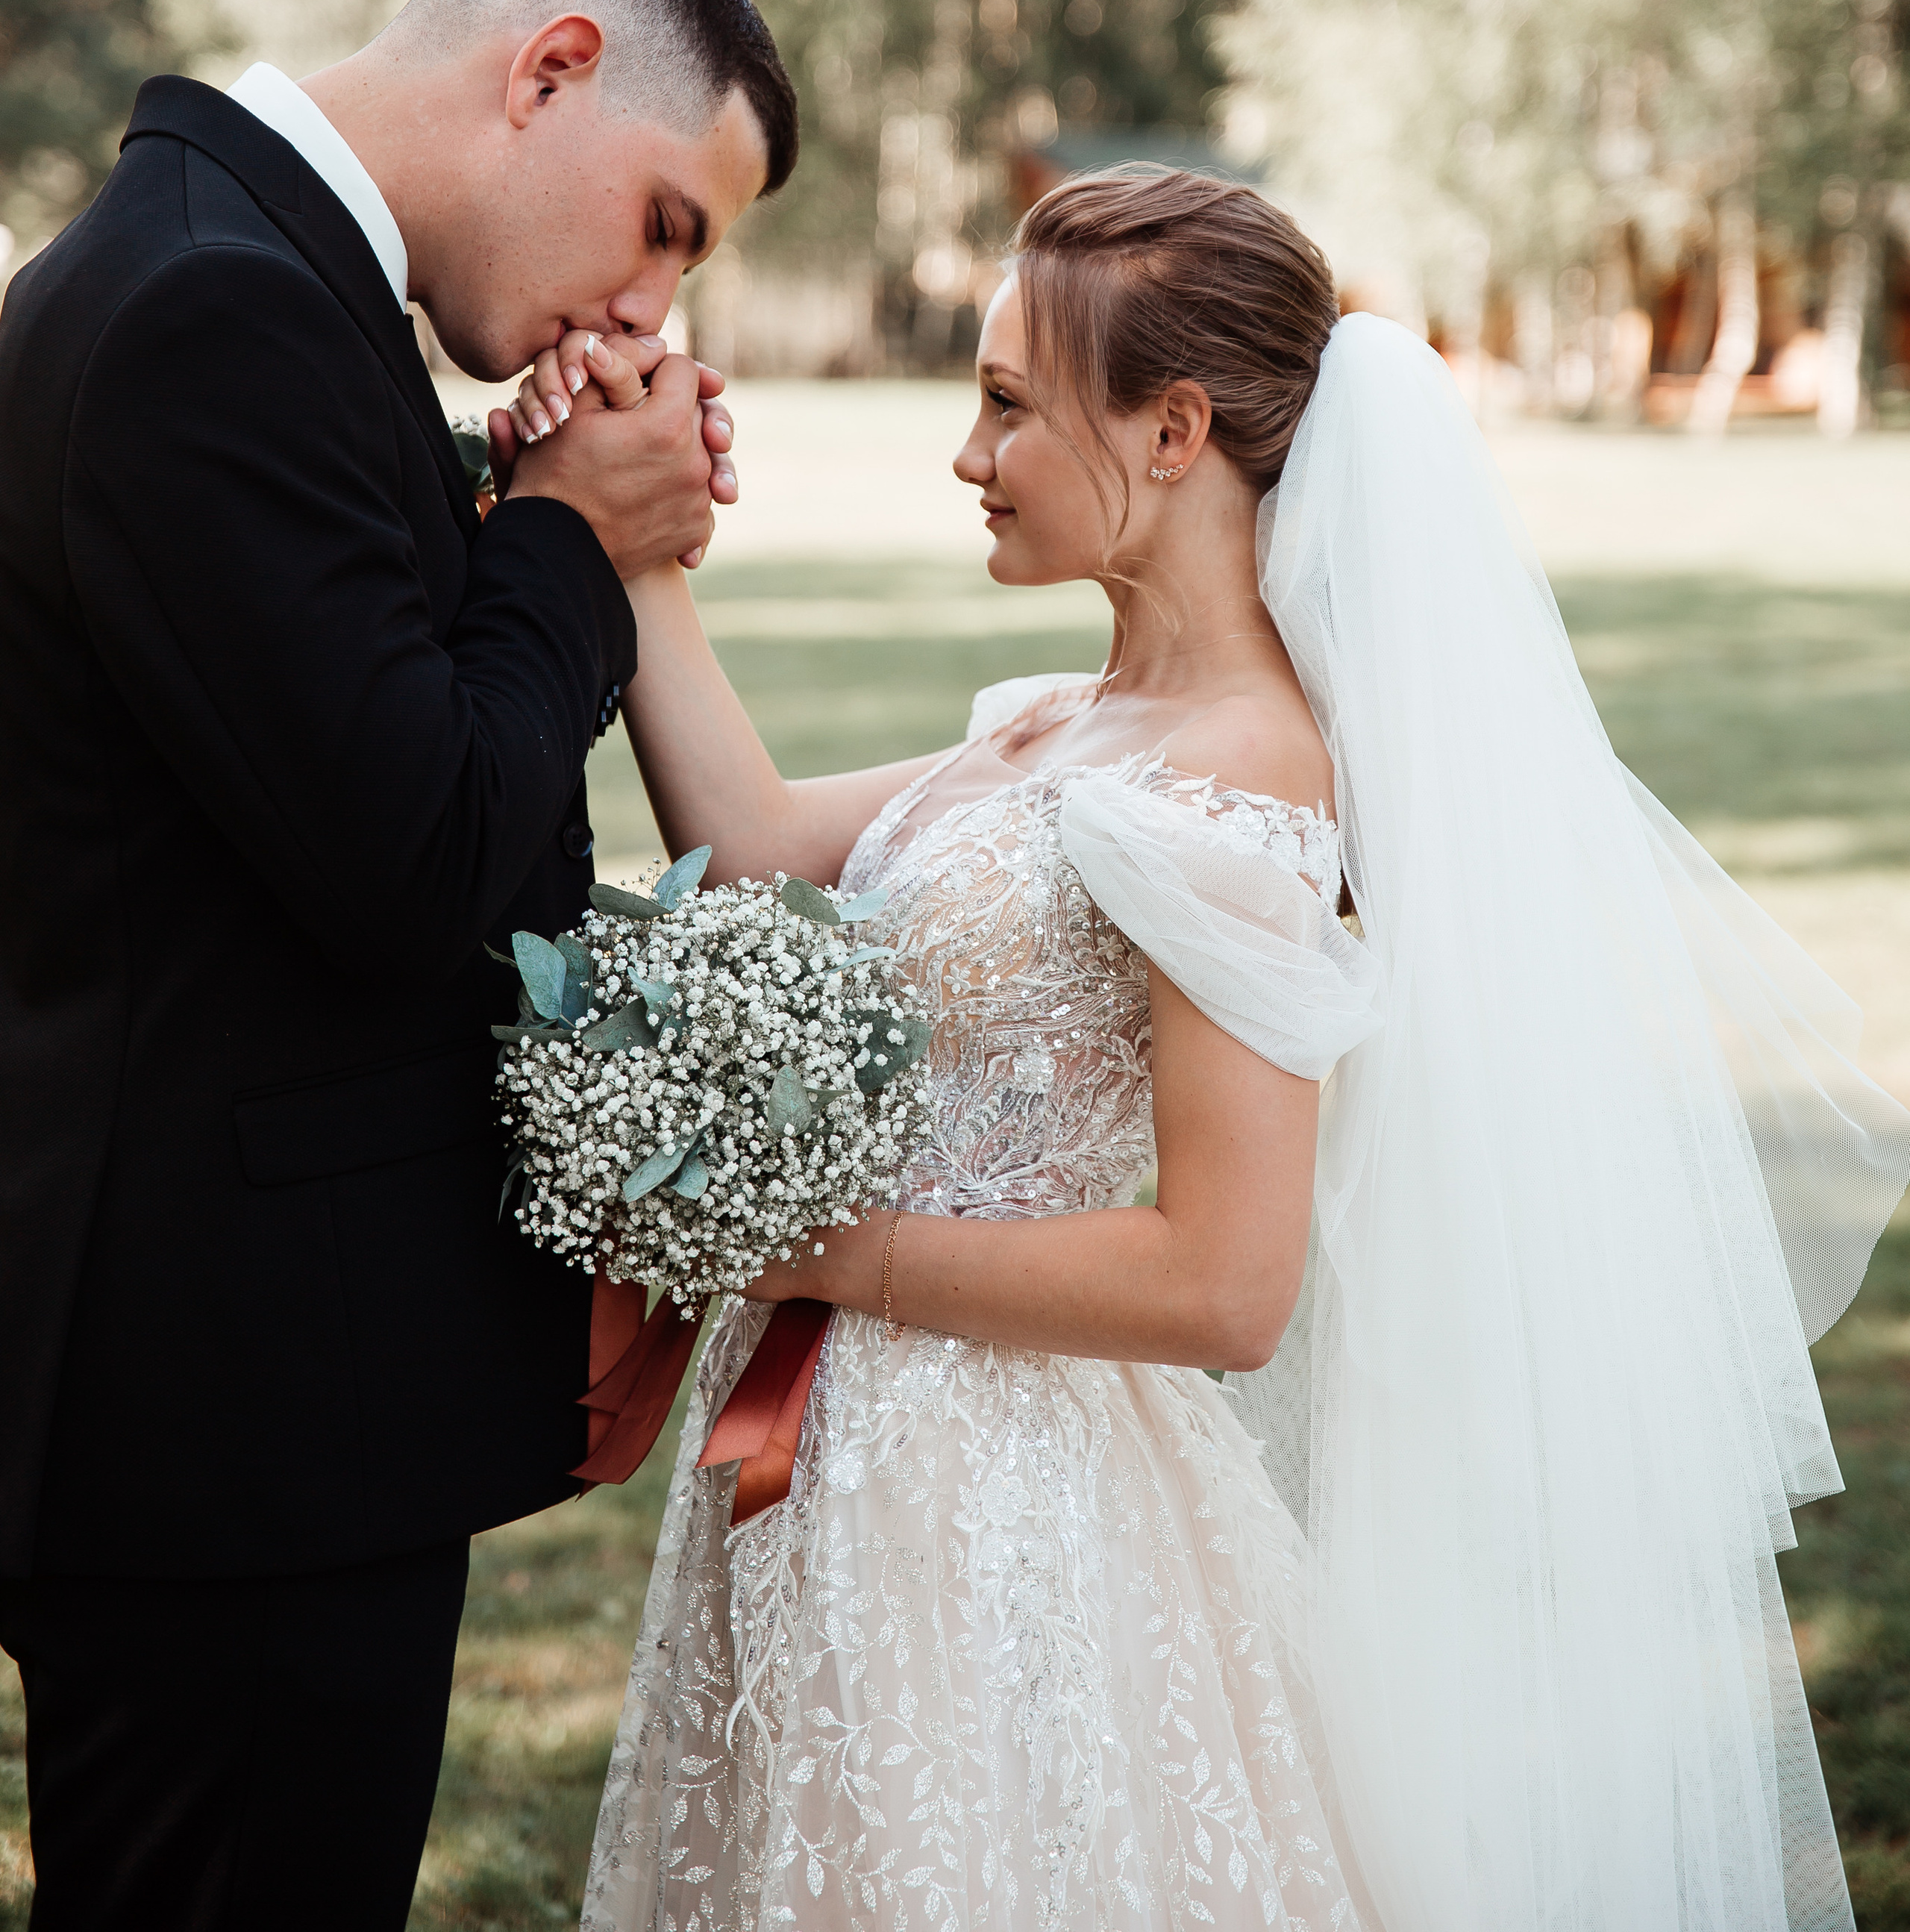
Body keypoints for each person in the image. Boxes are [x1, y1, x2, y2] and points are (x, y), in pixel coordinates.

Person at [511, 164, 1910, 1932]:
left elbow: (1225, 1280)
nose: (966, 453)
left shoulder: (1238, 772)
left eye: (1007, 406)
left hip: (1008, 1507)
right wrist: (630, 541)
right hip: (842, 1472)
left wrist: (822, 1254)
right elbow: (769, 838)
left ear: (1173, 433)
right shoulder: (1062, 723)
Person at [0, 0, 798, 1932]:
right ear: (548, 69)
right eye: (665, 230)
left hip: (242, 1400)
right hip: (227, 1428)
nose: (645, 319)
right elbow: (410, 849)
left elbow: (310, 707)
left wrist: (515, 510)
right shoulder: (209, 310)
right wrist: (566, 546)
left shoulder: (248, 282)